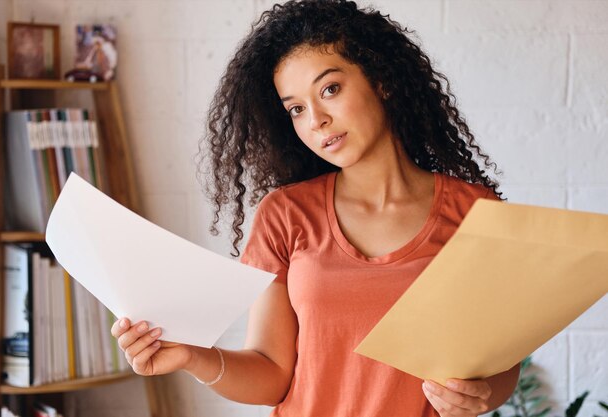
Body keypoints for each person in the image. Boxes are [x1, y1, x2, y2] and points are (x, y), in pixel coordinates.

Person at [111, 1, 521, 416]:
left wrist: (480, 393)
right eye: (296, 108)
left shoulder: (473, 212)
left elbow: (502, 368)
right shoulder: (285, 215)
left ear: (382, 81)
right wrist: (191, 356)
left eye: (330, 89)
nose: (316, 120)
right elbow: (273, 374)